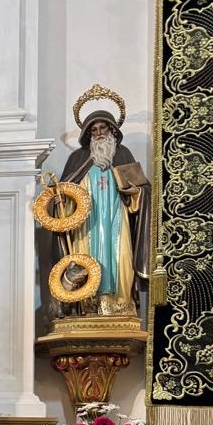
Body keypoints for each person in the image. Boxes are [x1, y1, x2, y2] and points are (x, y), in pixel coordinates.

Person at [56, 95, 151, 316]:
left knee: (121, 260)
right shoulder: (78, 159)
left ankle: (120, 308)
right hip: (86, 224)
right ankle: (89, 307)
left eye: (103, 128)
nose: (99, 133)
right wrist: (63, 201)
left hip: (117, 220)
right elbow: (64, 194)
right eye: (94, 130)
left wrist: (136, 193)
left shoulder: (123, 154)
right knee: (87, 260)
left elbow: (144, 190)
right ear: (88, 134)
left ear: (112, 131)